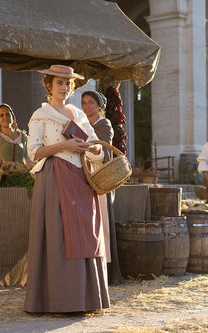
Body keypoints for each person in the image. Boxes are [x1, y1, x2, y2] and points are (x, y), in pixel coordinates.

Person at [24, 65, 109, 313]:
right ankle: (60, 300)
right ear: (48, 85)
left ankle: (86, 299)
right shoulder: (41, 115)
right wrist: (64, 146)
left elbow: (98, 149)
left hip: (81, 179)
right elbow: (33, 153)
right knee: (59, 235)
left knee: (85, 232)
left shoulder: (79, 115)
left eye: (68, 84)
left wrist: (91, 148)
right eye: (59, 83)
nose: (64, 87)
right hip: (54, 177)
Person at [81, 90, 122, 286]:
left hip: (101, 174)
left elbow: (103, 149)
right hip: (85, 174)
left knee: (102, 221)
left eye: (90, 102)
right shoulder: (82, 124)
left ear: (98, 106)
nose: (87, 106)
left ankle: (107, 271)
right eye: (84, 102)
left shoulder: (104, 125)